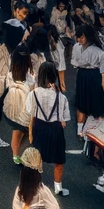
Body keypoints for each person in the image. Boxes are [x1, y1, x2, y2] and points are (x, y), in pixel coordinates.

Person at [28, 63, 72, 196]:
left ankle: (34, 186)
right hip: (55, 130)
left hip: (39, 127)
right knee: (59, 160)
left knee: (37, 157)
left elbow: (31, 114)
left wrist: (30, 133)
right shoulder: (62, 97)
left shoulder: (33, 94)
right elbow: (64, 118)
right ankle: (58, 188)